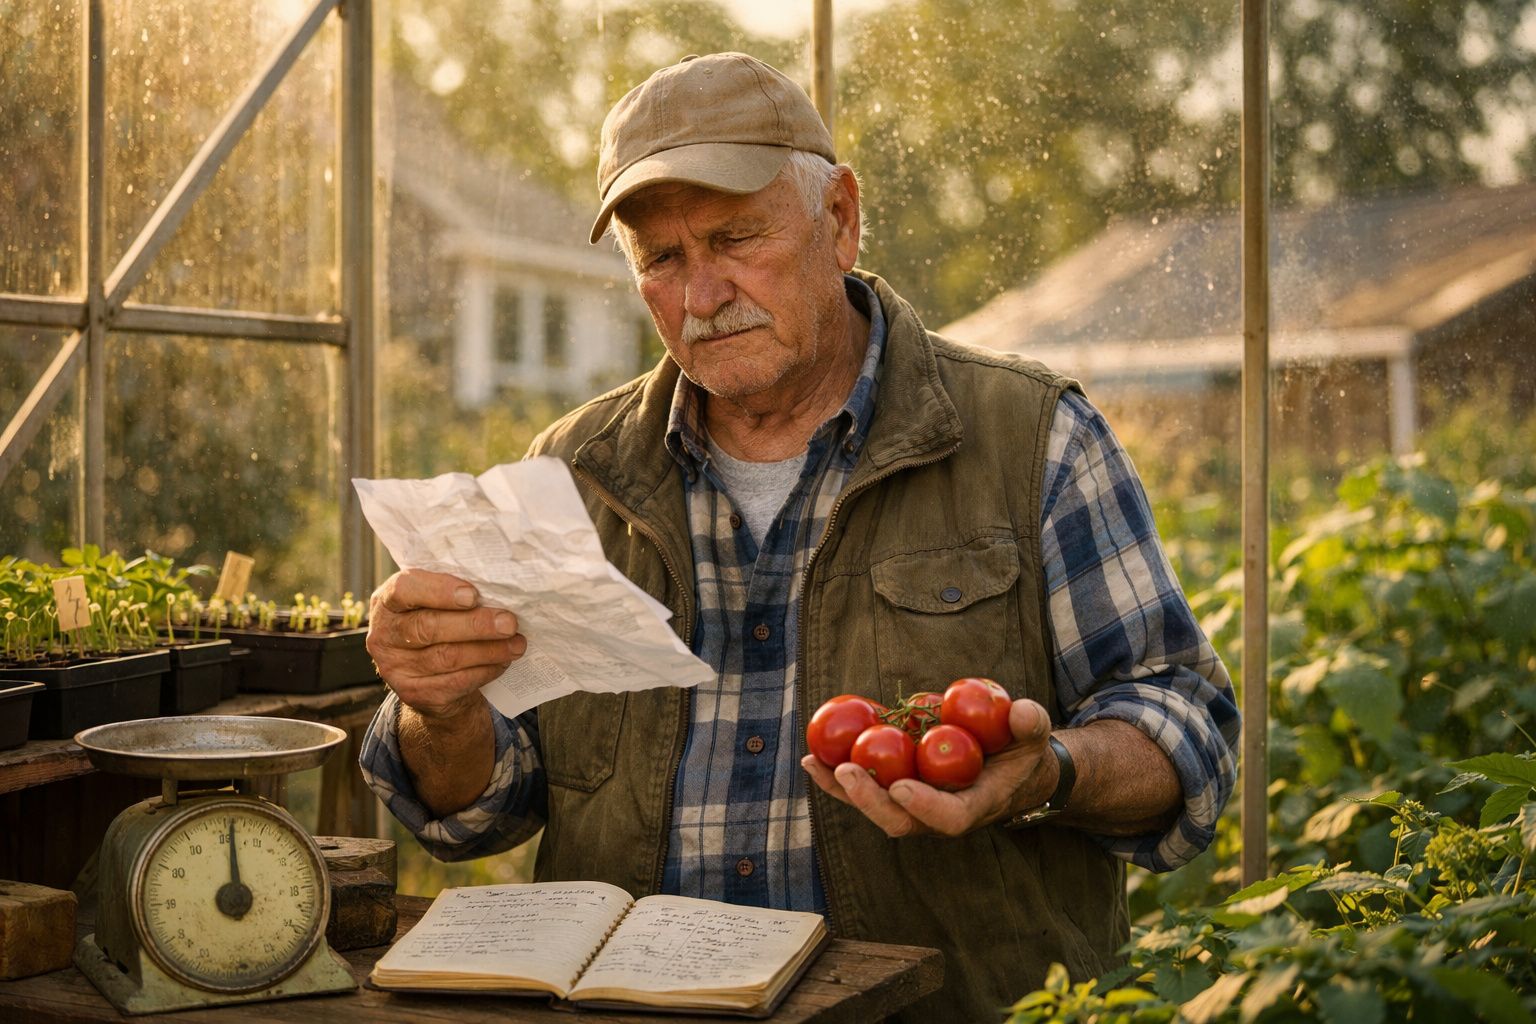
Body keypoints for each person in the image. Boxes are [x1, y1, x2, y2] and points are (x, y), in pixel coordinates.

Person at [360, 52, 1239, 1023]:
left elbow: (1185, 729)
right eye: (661, 258)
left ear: (841, 220)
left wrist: (1049, 772)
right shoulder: (572, 475)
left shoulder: (1033, 441)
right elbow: (489, 804)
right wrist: (439, 710)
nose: (701, 295)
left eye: (736, 238)